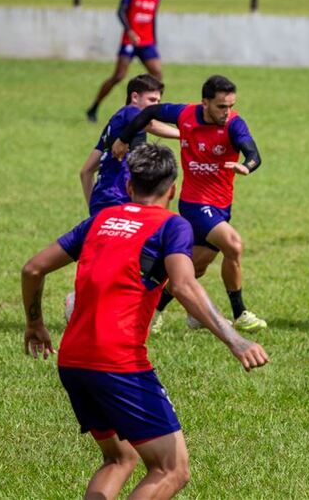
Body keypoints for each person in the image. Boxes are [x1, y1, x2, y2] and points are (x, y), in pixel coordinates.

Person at [22, 143, 268, 500]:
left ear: (128, 187)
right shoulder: (173, 225)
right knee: (172, 469)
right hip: (118, 363)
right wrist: (235, 339)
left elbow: (33, 268)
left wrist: (35, 323)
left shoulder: (101, 220)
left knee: (120, 458)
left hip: (72, 360)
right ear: (172, 189)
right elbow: (183, 285)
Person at [112, 74, 267, 332]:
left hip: (221, 206)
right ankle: (240, 313)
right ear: (204, 102)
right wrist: (123, 138)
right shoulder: (184, 114)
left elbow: (253, 153)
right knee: (233, 245)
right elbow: (149, 111)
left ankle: (153, 311)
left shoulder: (234, 124)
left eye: (230, 105)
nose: (227, 112)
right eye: (221, 106)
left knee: (195, 267)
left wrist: (246, 166)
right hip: (195, 203)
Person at [80, 74, 179, 217]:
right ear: (134, 97)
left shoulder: (114, 124)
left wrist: (93, 207)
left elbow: (86, 172)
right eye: (151, 100)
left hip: (102, 200)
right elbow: (150, 124)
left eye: (158, 101)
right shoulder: (130, 112)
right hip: (120, 199)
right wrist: (184, 134)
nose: (156, 106)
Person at [86, 0, 162, 123]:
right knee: (119, 76)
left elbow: (153, 18)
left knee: (157, 74)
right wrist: (130, 30)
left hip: (147, 41)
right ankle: (94, 107)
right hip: (130, 40)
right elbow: (121, 11)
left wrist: (154, 40)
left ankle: (152, 112)